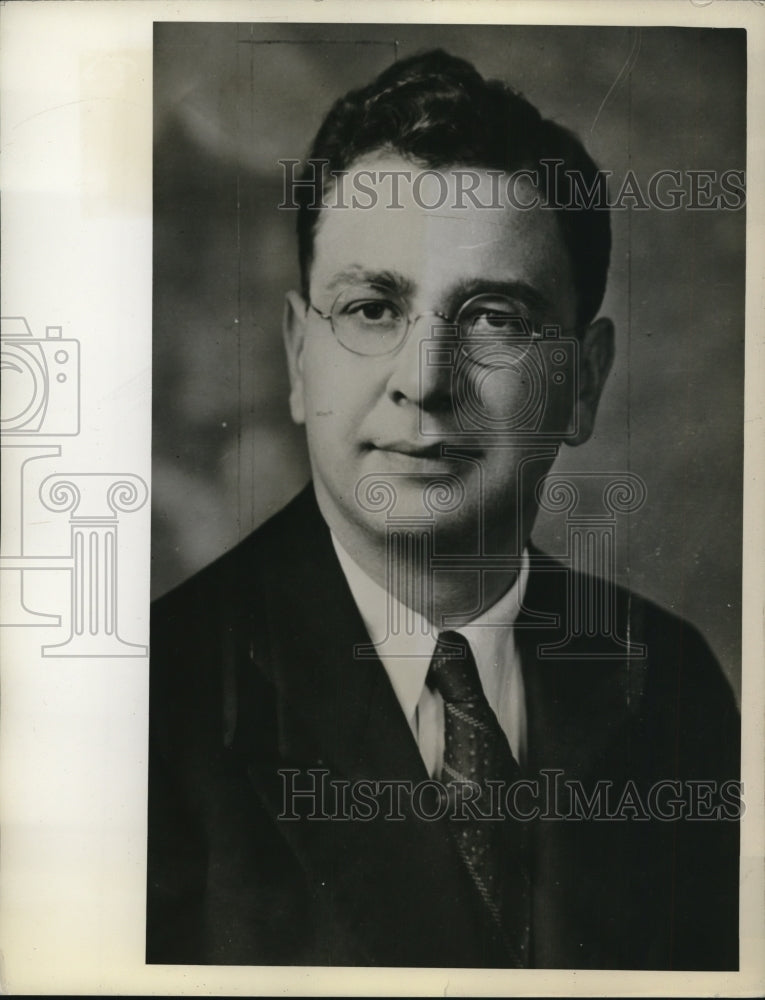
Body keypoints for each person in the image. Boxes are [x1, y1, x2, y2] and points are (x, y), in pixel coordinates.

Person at [147, 49, 740, 970]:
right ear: (301, 359)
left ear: (582, 384)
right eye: (374, 308)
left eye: (495, 317)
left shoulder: (668, 685)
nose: (425, 382)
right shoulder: (152, 704)